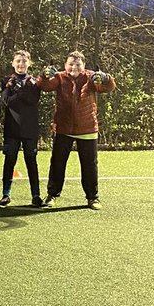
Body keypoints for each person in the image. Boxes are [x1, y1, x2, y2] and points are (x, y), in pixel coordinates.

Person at [37, 52, 116, 209]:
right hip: (63, 128)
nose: (74, 67)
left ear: (83, 66)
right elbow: (44, 86)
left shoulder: (91, 77)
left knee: (89, 165)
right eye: (71, 64)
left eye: (78, 64)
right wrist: (44, 75)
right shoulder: (59, 77)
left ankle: (92, 198)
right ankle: (51, 195)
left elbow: (108, 87)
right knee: (57, 163)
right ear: (66, 65)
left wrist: (106, 78)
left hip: (87, 128)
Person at [0, 50, 43, 207]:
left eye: (24, 61)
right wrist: (14, 90)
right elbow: (6, 101)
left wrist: (20, 90)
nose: (21, 64)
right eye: (18, 61)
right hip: (12, 129)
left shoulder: (35, 82)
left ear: (29, 64)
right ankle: (6, 194)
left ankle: (36, 195)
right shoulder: (6, 81)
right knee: (9, 161)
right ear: (13, 63)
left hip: (29, 129)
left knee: (31, 161)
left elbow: (33, 100)